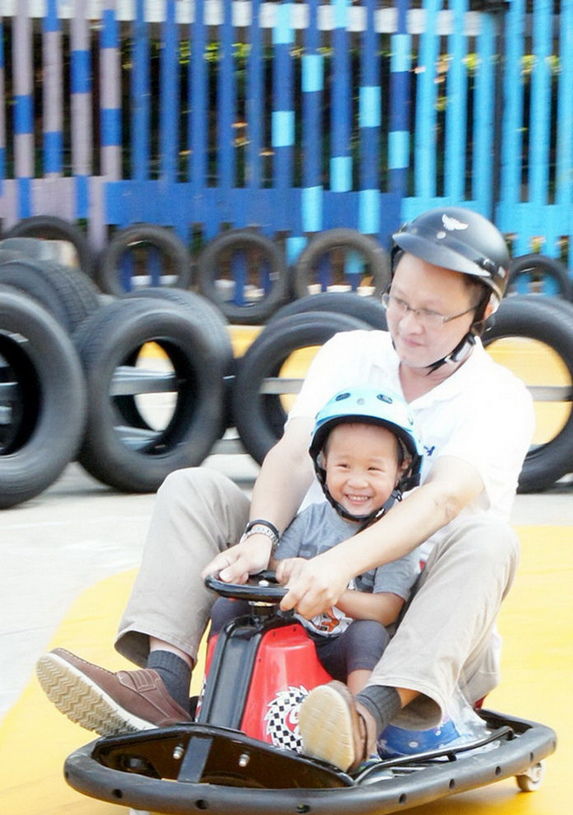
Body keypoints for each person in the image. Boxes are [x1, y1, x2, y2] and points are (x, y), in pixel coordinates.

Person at [36, 206, 534, 775]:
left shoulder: (499, 398)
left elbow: (441, 499)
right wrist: (260, 536)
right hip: (299, 588)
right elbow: (295, 453)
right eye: (399, 302)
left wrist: (338, 567)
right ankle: (164, 686)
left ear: (483, 311)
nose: (409, 325)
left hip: (410, 623)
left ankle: (363, 719)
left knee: (488, 538)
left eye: (433, 313)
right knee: (194, 486)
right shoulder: (350, 354)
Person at [208, 387, 424, 697]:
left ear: (401, 469)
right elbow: (273, 567)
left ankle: (359, 723)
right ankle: (216, 699)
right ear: (323, 464)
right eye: (343, 466)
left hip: (342, 646)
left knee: (369, 633)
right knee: (228, 608)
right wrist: (287, 568)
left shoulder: (396, 533)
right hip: (290, 633)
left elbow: (385, 610)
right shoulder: (312, 518)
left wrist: (328, 589)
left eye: (374, 469)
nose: (357, 481)